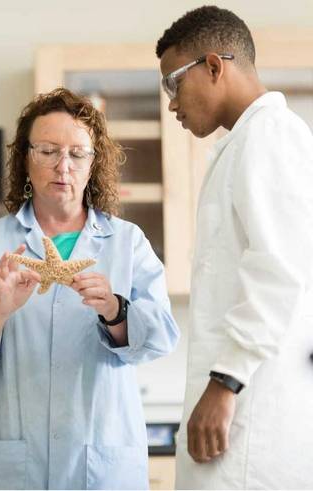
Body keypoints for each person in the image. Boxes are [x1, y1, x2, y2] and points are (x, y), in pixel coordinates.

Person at [0, 88, 179, 489]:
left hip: (99, 462)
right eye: (47, 151)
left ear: (93, 162)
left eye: (77, 153)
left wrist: (115, 310)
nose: (62, 166)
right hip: (9, 466)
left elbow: (160, 338)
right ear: (26, 159)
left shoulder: (127, 243)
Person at [156, 6, 313, 489]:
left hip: (248, 415)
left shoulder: (271, 136)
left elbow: (280, 270)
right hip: (239, 411)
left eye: (172, 84)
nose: (171, 105)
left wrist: (225, 383)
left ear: (214, 66)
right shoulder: (245, 143)